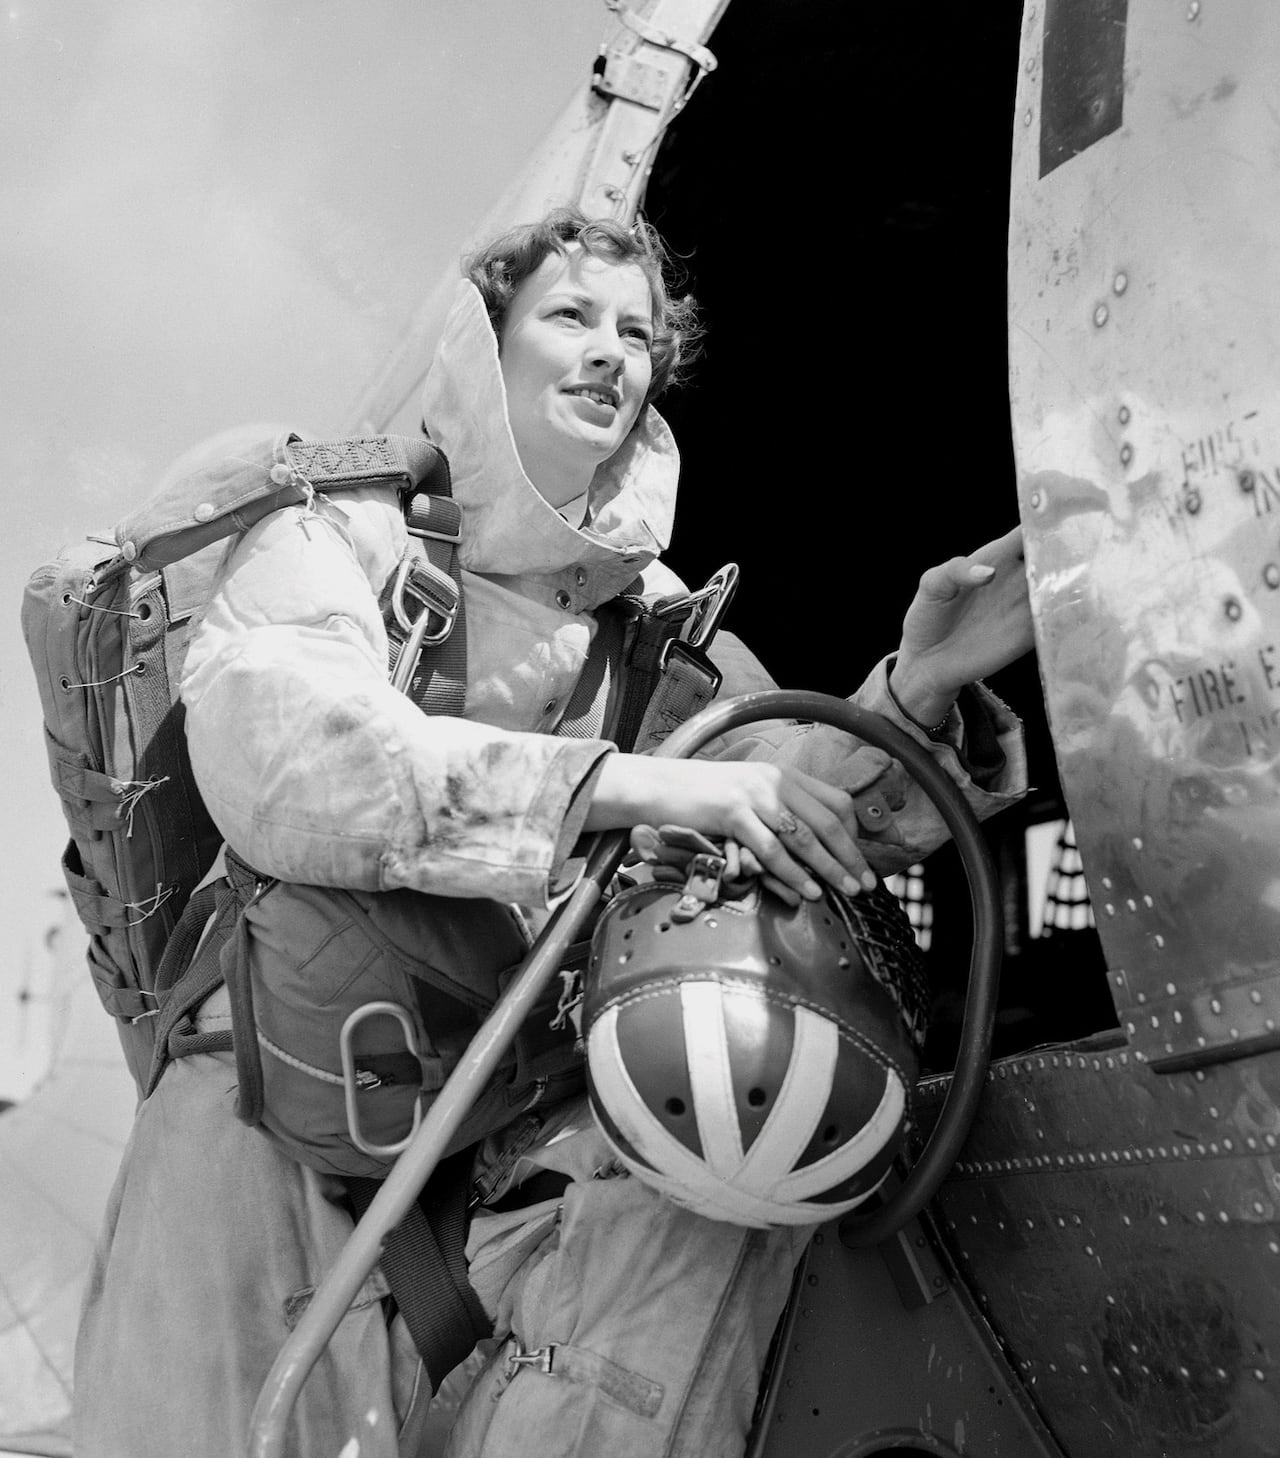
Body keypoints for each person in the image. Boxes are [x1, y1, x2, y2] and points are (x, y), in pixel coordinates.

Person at [73, 207, 1031, 1458]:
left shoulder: (660, 635)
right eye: (569, 317)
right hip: (261, 1144)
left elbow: (779, 797)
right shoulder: (338, 532)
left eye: (636, 333)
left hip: (494, 1153)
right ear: (488, 344)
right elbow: (287, 757)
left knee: (725, 1199)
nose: (608, 353)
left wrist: (911, 689)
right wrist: (628, 787)